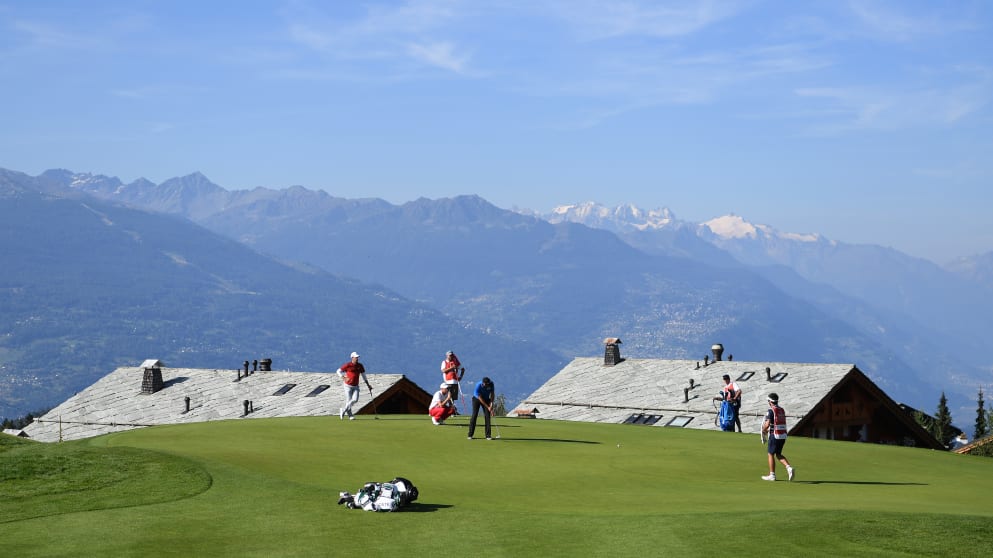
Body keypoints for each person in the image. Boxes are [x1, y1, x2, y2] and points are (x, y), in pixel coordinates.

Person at [761, 393, 795, 482]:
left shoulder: (770, 410)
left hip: (774, 435)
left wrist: (763, 430)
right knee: (778, 454)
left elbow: (767, 424)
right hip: (782, 435)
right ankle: (789, 467)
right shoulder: (781, 410)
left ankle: (772, 475)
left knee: (770, 454)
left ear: (770, 401)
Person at [336, 351, 372, 420]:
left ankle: (343, 410)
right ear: (352, 358)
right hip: (347, 386)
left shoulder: (360, 365)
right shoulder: (348, 365)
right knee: (349, 400)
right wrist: (343, 377)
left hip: (356, 386)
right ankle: (350, 416)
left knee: (355, 400)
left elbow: (364, 375)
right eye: (356, 357)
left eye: (357, 357)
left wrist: (368, 385)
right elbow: (338, 371)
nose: (357, 358)